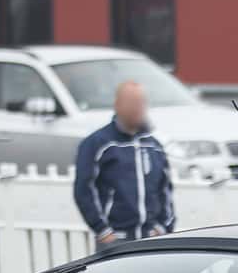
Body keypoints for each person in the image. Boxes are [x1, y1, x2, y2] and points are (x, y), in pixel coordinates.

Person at [73, 80, 175, 244]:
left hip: (152, 239)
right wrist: (103, 231)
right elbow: (83, 189)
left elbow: (165, 191)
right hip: (116, 240)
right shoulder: (97, 144)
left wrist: (163, 228)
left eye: (141, 102)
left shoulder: (154, 146)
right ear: (117, 105)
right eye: (132, 102)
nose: (138, 108)